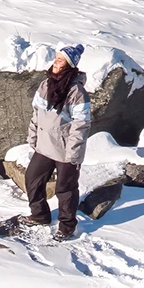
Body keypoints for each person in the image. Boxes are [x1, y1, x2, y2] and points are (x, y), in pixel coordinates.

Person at [25, 44, 90, 240]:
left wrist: (73, 153)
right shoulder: (45, 85)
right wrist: (33, 136)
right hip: (44, 145)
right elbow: (37, 113)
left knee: (65, 189)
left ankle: (67, 226)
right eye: (56, 58)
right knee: (32, 179)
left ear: (69, 64)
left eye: (60, 59)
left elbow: (81, 125)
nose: (55, 62)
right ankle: (40, 215)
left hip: (65, 149)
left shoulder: (77, 92)